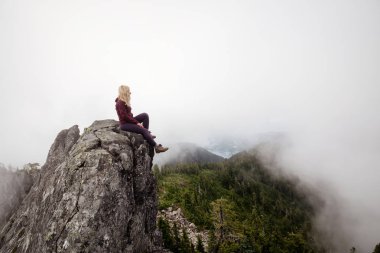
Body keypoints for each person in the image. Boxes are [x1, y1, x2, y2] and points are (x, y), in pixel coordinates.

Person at [115, 85, 169, 153]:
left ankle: (146, 134)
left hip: (129, 121)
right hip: (125, 124)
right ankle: (156, 147)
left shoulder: (123, 102)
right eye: (129, 91)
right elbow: (124, 117)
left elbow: (128, 116)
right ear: (125, 92)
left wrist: (134, 120)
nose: (130, 93)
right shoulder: (120, 103)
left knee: (145, 115)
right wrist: (136, 123)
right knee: (143, 130)